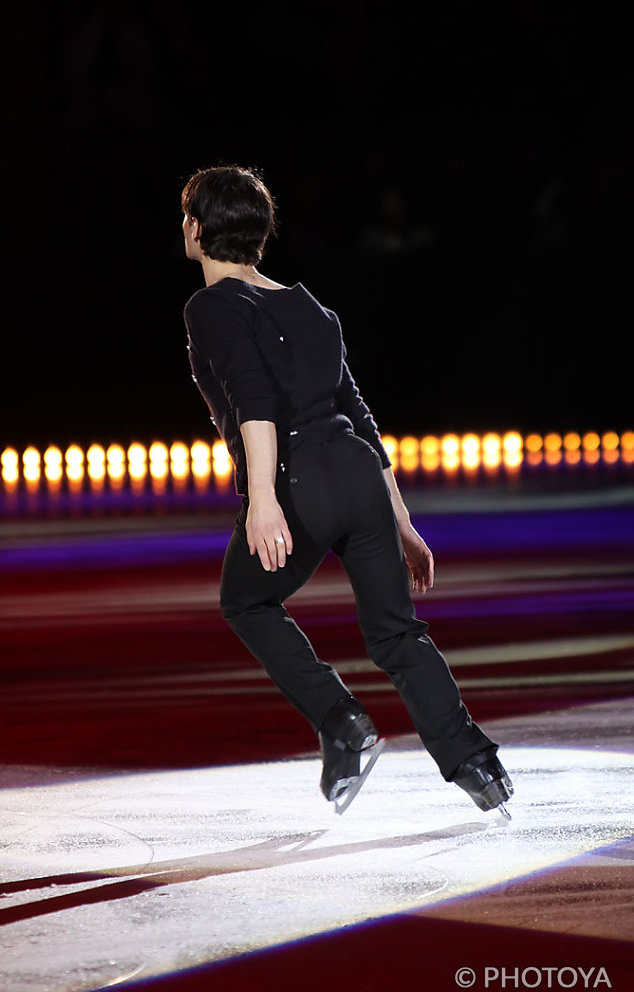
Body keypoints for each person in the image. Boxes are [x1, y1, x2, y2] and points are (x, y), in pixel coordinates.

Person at [181, 165, 513, 817]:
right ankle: (476, 765)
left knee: (246, 602)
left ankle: (342, 723)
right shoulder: (311, 306)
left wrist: (265, 499)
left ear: (195, 229)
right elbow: (357, 415)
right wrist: (401, 520)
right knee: (396, 633)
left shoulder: (210, 306)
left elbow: (254, 400)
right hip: (358, 477)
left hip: (300, 479)